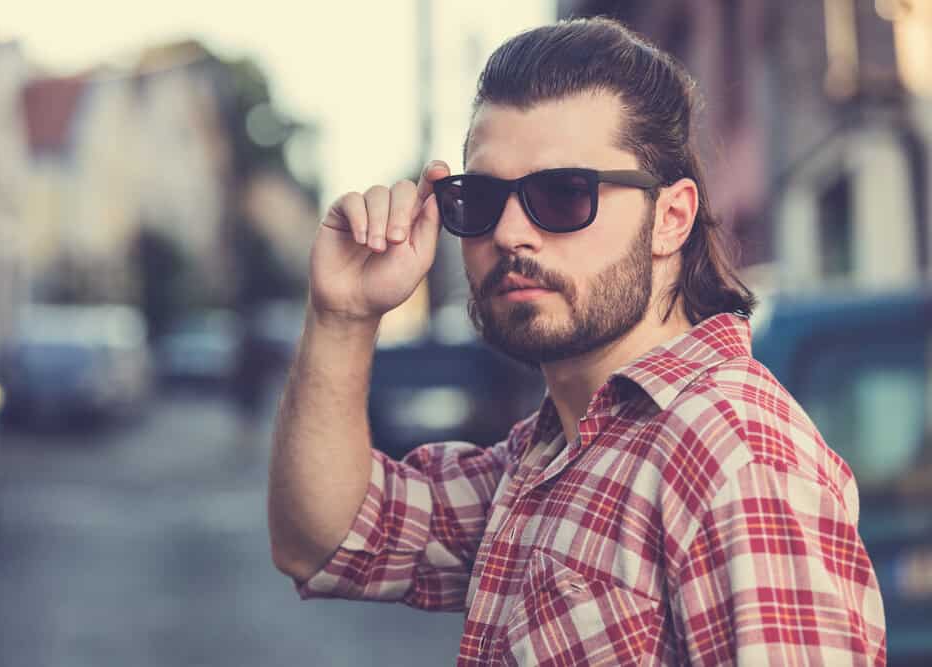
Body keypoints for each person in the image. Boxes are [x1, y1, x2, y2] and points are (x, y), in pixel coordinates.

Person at [268, 17, 886, 666]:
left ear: (670, 218)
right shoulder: (553, 454)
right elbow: (324, 539)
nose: (509, 233)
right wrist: (341, 315)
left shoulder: (732, 455)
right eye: (479, 198)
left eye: (562, 195)